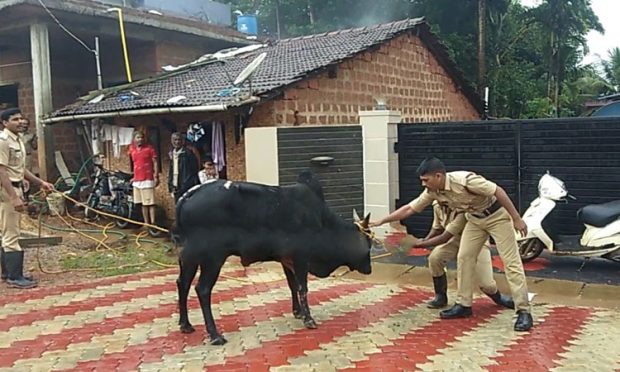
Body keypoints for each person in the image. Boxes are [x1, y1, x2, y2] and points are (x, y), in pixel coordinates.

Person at [370, 157, 533, 331]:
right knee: (464, 257)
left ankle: (524, 311)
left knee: (511, 262)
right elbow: (410, 208)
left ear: (439, 176)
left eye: (426, 180)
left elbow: (498, 191)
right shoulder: (433, 193)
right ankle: (464, 305)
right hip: (474, 220)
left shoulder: (465, 181)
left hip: (497, 217)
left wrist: (516, 218)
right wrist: (381, 221)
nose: (424, 184)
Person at [414, 201, 513, 309]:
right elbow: (437, 227)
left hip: (476, 242)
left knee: (486, 284)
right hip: (455, 240)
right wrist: (426, 239)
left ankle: (498, 297)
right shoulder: (437, 205)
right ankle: (441, 296)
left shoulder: (461, 208)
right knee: (435, 258)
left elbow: (444, 237)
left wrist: (421, 244)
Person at [0, 108, 54, 289]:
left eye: (21, 118)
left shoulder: (19, 141)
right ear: (4, 123)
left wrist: (41, 182)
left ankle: (8, 273)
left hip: (15, 187)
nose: (20, 121)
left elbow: (20, 169)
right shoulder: (3, 141)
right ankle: (14, 276)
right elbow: (2, 171)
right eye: (15, 119)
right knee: (11, 233)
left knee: (7, 231)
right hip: (7, 191)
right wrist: (14, 197)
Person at [128, 131, 159, 229]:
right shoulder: (132, 149)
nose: (140, 139)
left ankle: (153, 223)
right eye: (138, 137)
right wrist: (134, 176)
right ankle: (146, 224)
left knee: (150, 203)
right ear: (134, 139)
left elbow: (155, 162)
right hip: (137, 180)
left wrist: (156, 176)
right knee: (142, 204)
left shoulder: (149, 149)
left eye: (141, 137)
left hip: (147, 178)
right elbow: (134, 164)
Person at [168, 132, 200, 202]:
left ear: (182, 141)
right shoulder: (172, 154)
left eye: (179, 140)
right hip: (176, 186)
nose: (177, 142)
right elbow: (171, 171)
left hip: (186, 185)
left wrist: (187, 184)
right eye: (175, 140)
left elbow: (194, 169)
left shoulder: (188, 153)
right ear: (171, 141)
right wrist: (170, 185)